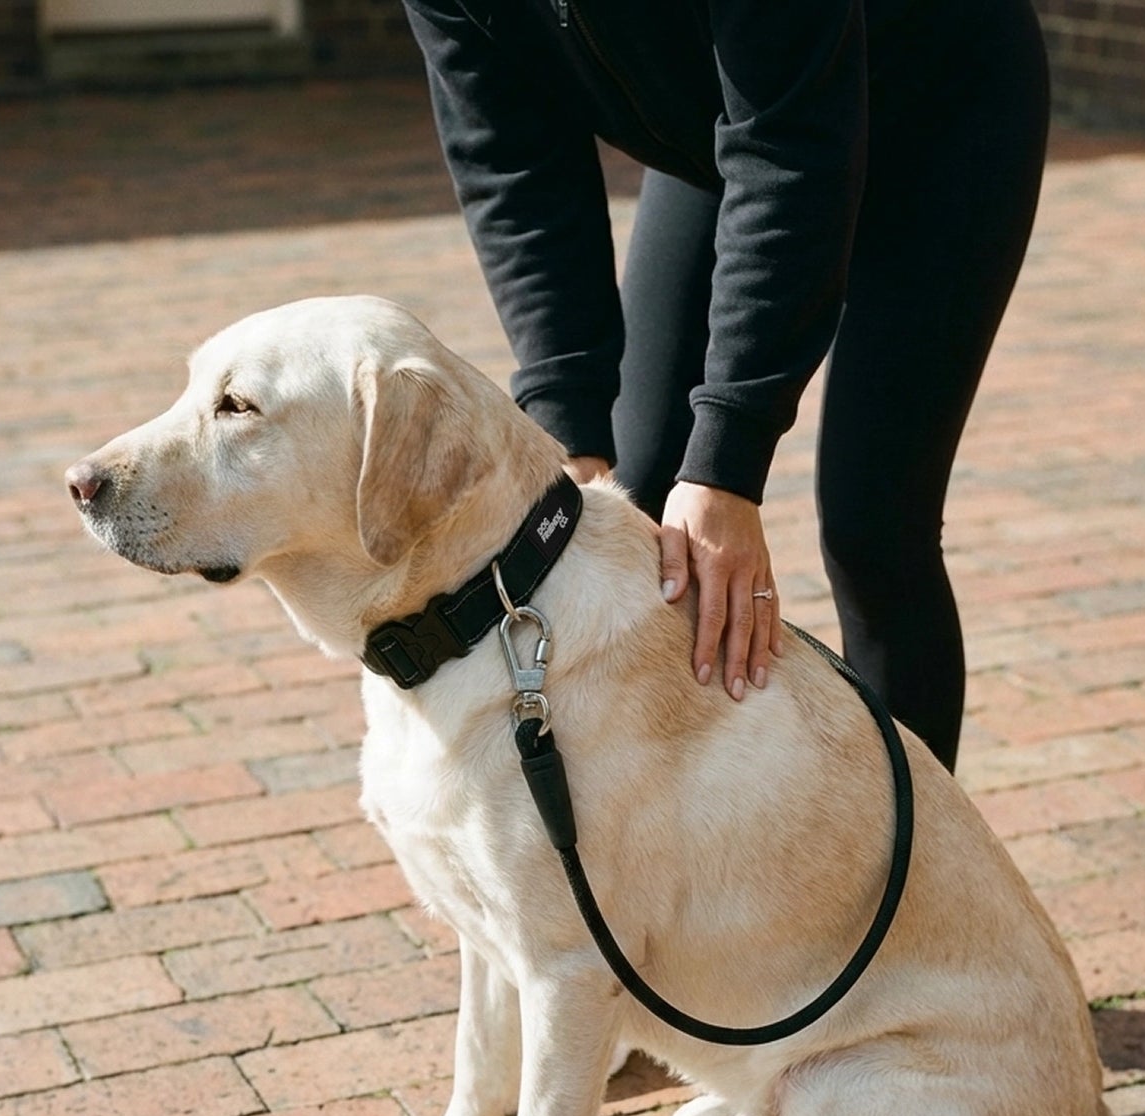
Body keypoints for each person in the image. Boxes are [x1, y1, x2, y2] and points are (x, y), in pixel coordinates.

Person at [401, 0, 1051, 772]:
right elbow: (510, 160)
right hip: (725, 134)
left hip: (937, 117)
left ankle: (921, 875)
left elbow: (791, 147)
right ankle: (686, 843)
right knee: (635, 506)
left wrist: (727, 462)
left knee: (872, 530)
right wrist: (567, 424)